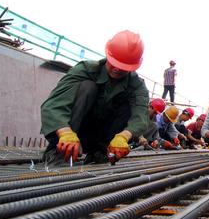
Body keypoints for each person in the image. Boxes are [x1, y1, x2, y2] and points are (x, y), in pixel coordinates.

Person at [41, 30, 149, 165]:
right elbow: (54, 105)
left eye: (123, 67)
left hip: (103, 137)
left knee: (129, 105)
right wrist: (65, 132)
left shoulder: (137, 86)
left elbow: (140, 117)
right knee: (88, 87)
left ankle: (100, 153)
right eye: (114, 63)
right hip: (75, 132)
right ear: (108, 55)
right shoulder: (85, 70)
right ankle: (59, 152)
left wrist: (123, 136)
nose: (117, 69)